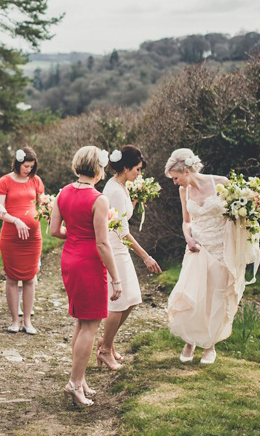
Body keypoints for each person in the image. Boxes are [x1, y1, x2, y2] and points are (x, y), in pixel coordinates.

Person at [50, 146, 123, 407]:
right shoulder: (98, 199)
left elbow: (54, 230)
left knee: (81, 323)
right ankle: (74, 382)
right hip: (89, 263)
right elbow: (103, 244)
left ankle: (80, 380)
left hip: (70, 259)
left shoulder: (62, 193)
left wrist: (77, 234)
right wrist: (116, 278)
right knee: (90, 326)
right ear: (99, 168)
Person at [164, 148, 240, 365]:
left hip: (220, 247)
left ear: (186, 171)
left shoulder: (221, 183)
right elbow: (186, 221)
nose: (175, 183)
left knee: (214, 296)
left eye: (176, 178)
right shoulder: (184, 192)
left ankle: (210, 345)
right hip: (196, 248)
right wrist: (188, 237)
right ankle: (190, 341)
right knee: (192, 294)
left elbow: (235, 213)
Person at [97, 145, 162, 369]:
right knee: (120, 301)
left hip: (121, 249)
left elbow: (123, 214)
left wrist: (136, 201)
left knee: (132, 298)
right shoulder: (113, 190)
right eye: (137, 170)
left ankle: (108, 342)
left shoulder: (122, 186)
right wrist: (145, 256)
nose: (139, 174)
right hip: (115, 249)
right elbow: (121, 230)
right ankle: (104, 349)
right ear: (125, 168)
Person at [0, 146, 45, 334]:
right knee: (12, 278)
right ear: (17, 163)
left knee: (30, 278)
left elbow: (42, 205)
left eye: (32, 167)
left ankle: (27, 321)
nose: (29, 170)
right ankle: (14, 320)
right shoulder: (5, 181)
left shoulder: (36, 181)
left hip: (32, 238)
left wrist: (46, 214)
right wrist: (16, 221)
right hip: (11, 236)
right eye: (26, 166)